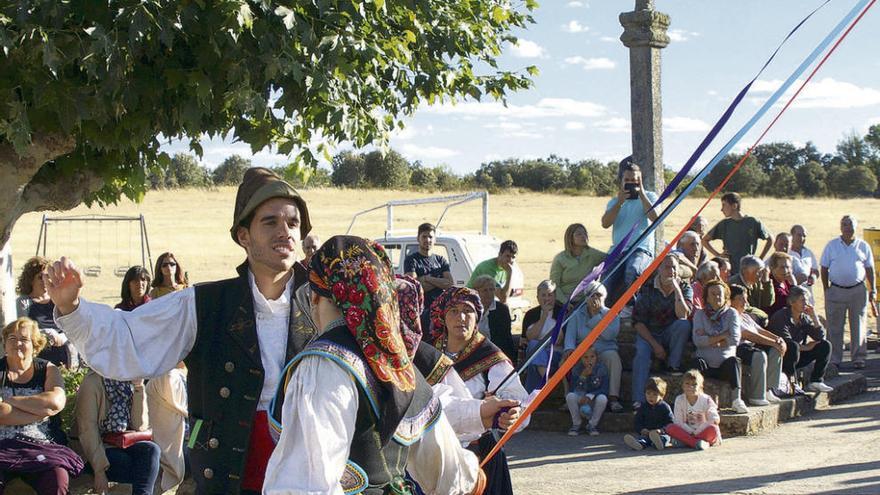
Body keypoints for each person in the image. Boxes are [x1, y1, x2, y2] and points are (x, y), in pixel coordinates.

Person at [48, 167, 316, 494]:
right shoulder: (205, 303)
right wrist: (72, 307)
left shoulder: (323, 301)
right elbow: (130, 338)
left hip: (307, 465)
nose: (284, 232)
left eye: (292, 222)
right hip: (229, 468)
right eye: (270, 221)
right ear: (243, 236)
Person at [263, 237, 484, 494]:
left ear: (314, 297)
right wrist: (471, 477)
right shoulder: (399, 367)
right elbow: (449, 472)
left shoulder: (323, 365)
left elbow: (306, 483)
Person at [430, 286, 530, 495]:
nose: (461, 317)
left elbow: (520, 403)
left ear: (477, 317)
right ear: (442, 316)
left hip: (481, 456)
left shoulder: (491, 358)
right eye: (454, 311)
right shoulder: (428, 355)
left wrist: (511, 414)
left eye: (468, 311)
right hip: (434, 456)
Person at [0, 318, 83, 494]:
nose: (17, 344)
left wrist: (10, 400)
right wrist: (40, 411)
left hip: (42, 445)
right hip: (2, 446)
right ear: (5, 343)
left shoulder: (48, 370)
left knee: (57, 479)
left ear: (35, 345)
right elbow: (1, 413)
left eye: (24, 339)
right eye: (12, 339)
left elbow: (54, 403)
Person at [72, 370, 162, 495]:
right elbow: (87, 430)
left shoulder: (127, 379)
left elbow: (140, 426)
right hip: (98, 448)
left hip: (123, 442)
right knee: (129, 463)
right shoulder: (92, 382)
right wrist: (99, 471)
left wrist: (138, 388)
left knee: (152, 450)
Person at [631, 255, 693, 409]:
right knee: (641, 354)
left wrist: (677, 290)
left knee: (683, 325)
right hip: (648, 333)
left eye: (674, 267)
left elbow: (683, 315)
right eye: (667, 267)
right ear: (659, 269)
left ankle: (673, 365)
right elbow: (637, 322)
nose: (671, 271)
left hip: (669, 332)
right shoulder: (647, 288)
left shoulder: (685, 287)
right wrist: (655, 345)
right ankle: (639, 399)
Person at [600, 158, 659, 306]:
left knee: (632, 271)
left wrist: (642, 194)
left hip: (641, 249)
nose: (631, 183)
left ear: (640, 180)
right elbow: (605, 224)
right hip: (618, 250)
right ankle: (602, 315)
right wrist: (620, 202)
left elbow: (656, 218)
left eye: (635, 180)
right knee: (605, 283)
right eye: (627, 179)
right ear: (621, 180)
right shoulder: (614, 201)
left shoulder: (650, 197)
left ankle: (630, 309)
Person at [821, 215, 875, 370]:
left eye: (850, 224)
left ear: (855, 226)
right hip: (836, 290)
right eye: (844, 224)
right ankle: (834, 358)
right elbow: (824, 268)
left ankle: (858, 357)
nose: (847, 227)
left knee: (858, 325)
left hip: (858, 290)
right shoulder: (832, 246)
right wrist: (826, 289)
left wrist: (873, 290)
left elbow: (869, 269)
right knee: (834, 326)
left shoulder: (863, 246)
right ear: (840, 227)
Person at [563, 281, 623, 413]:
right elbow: (570, 335)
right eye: (592, 295)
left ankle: (613, 398)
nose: (595, 298)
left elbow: (609, 335)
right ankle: (570, 397)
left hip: (604, 349)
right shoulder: (577, 315)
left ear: (604, 297)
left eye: (599, 295)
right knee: (567, 359)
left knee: (613, 358)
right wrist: (569, 349)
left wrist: (596, 316)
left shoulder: (611, 314)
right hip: (583, 351)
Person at [691, 280, 749, 414]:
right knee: (695, 363)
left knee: (734, 362)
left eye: (720, 294)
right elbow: (698, 341)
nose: (717, 297)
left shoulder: (732, 314)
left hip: (725, 364)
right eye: (713, 294)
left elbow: (735, 339)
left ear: (725, 296)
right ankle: (696, 402)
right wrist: (723, 336)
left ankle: (736, 400)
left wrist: (709, 339)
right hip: (706, 363)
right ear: (707, 297)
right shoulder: (700, 315)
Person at [768, 286, 834, 393]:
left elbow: (820, 337)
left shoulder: (803, 318)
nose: (806, 303)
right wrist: (806, 347)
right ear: (791, 302)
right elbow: (786, 343)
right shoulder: (781, 316)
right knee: (793, 347)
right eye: (802, 300)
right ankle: (792, 383)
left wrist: (814, 317)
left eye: (807, 300)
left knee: (825, 345)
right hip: (782, 356)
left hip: (798, 354)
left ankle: (816, 381)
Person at [15, 256, 75, 368]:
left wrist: (62, 337)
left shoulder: (58, 298)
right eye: (40, 277)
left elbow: (72, 325)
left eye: (48, 276)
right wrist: (46, 333)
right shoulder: (23, 302)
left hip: (64, 351)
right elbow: (24, 329)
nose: (45, 281)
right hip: (38, 354)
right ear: (30, 280)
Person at [730, 284, 786, 404]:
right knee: (759, 355)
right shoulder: (731, 315)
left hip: (751, 346)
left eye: (746, 298)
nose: (745, 301)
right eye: (741, 298)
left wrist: (778, 340)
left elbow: (760, 330)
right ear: (730, 300)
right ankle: (756, 396)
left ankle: (768, 389)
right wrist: (773, 342)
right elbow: (748, 335)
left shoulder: (745, 316)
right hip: (738, 347)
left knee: (775, 350)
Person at [703, 192, 772, 276]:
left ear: (734, 206)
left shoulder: (752, 222)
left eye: (724, 205)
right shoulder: (724, 224)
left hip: (749, 270)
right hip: (730, 270)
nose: (721, 209)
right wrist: (718, 255)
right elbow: (704, 240)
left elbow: (770, 239)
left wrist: (760, 259)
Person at [404, 222, 453, 328]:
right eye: (424, 236)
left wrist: (427, 278)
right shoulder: (411, 260)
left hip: (441, 310)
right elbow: (414, 287)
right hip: (421, 312)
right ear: (418, 238)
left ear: (435, 239)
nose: (427, 240)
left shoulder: (441, 260)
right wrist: (439, 282)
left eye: (430, 237)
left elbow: (449, 284)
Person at [521, 280, 564, 392]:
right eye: (543, 295)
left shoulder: (562, 312)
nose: (547, 299)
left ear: (555, 296)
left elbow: (559, 340)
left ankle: (530, 398)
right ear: (537, 297)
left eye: (550, 295)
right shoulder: (531, 314)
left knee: (533, 362)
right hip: (535, 351)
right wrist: (544, 316)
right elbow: (530, 337)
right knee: (534, 346)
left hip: (555, 353)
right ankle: (546, 381)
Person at [549, 223, 606, 304]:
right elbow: (554, 286)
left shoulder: (592, 254)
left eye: (585, 233)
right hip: (564, 302)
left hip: (586, 301)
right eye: (579, 234)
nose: (583, 236)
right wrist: (565, 303)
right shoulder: (560, 259)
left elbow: (611, 258)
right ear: (570, 238)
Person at [667, 370, 721, 450]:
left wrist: (696, 432)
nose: (690, 387)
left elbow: (714, 419)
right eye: (687, 384)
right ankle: (696, 443)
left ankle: (687, 442)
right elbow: (678, 421)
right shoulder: (679, 399)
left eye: (694, 384)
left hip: (703, 431)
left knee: (713, 429)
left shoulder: (706, 400)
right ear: (683, 386)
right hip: (687, 431)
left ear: (700, 386)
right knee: (670, 427)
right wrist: (691, 432)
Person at [472, 275, 517, 363]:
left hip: (495, 352)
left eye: (491, 289)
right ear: (477, 292)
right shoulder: (471, 309)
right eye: (485, 290)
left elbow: (504, 337)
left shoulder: (502, 309)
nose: (489, 293)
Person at [565, 348, 609, 436]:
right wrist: (583, 376)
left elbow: (604, 389)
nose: (589, 360)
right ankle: (576, 424)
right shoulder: (577, 369)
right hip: (580, 398)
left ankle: (592, 425)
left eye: (592, 357)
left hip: (594, 398)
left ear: (596, 357)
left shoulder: (601, 369)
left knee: (603, 398)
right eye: (585, 357)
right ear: (581, 358)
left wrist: (590, 396)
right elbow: (573, 388)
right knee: (570, 396)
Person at [623, 377, 674, 451]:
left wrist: (661, 430)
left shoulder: (665, 407)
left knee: (665, 438)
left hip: (660, 433)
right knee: (643, 439)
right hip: (647, 432)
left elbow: (671, 422)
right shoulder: (643, 407)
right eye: (648, 393)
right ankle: (639, 444)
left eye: (654, 394)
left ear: (661, 396)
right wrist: (641, 429)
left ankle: (658, 444)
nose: (651, 396)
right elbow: (638, 421)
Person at [467, 240, 518, 305]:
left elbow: (504, 297)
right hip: (470, 302)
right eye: (507, 256)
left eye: (513, 257)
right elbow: (503, 298)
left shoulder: (505, 269)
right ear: (500, 254)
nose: (510, 260)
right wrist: (510, 274)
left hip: (484, 302)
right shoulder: (488, 268)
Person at [729, 255, 775, 320]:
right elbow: (744, 308)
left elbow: (768, 303)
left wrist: (766, 282)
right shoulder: (734, 284)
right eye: (758, 271)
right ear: (745, 271)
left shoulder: (757, 282)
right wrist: (763, 315)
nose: (761, 274)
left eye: (762, 271)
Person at [789, 224, 820, 296]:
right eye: (799, 235)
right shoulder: (786, 253)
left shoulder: (808, 253)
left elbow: (815, 270)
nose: (802, 238)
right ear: (791, 236)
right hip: (791, 296)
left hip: (808, 296)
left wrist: (813, 277)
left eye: (804, 236)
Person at [762, 252, 795, 317]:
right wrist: (793, 286)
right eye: (782, 267)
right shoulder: (769, 284)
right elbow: (790, 304)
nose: (785, 271)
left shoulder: (786, 281)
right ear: (772, 268)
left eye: (788, 267)